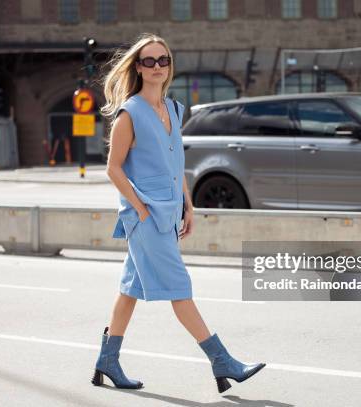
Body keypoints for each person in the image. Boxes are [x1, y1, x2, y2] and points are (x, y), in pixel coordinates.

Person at [93, 33, 265, 394]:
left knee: (130, 289)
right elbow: (113, 168)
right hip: (146, 217)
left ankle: (107, 360)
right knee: (179, 289)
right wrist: (139, 208)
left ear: (170, 66)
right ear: (138, 68)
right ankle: (222, 361)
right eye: (149, 61)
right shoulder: (130, 112)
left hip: (169, 212)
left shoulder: (173, 109)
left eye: (163, 60)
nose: (157, 67)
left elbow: (176, 164)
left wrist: (189, 204)